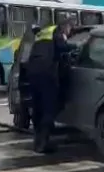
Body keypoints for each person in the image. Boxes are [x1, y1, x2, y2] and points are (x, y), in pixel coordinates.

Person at [26, 18, 77, 153]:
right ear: (66, 27)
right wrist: (77, 45)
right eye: (70, 30)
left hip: (32, 71)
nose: (69, 32)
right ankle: (43, 143)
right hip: (46, 72)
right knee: (49, 107)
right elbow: (61, 48)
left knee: (38, 107)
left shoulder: (42, 33)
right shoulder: (57, 31)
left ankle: (37, 141)